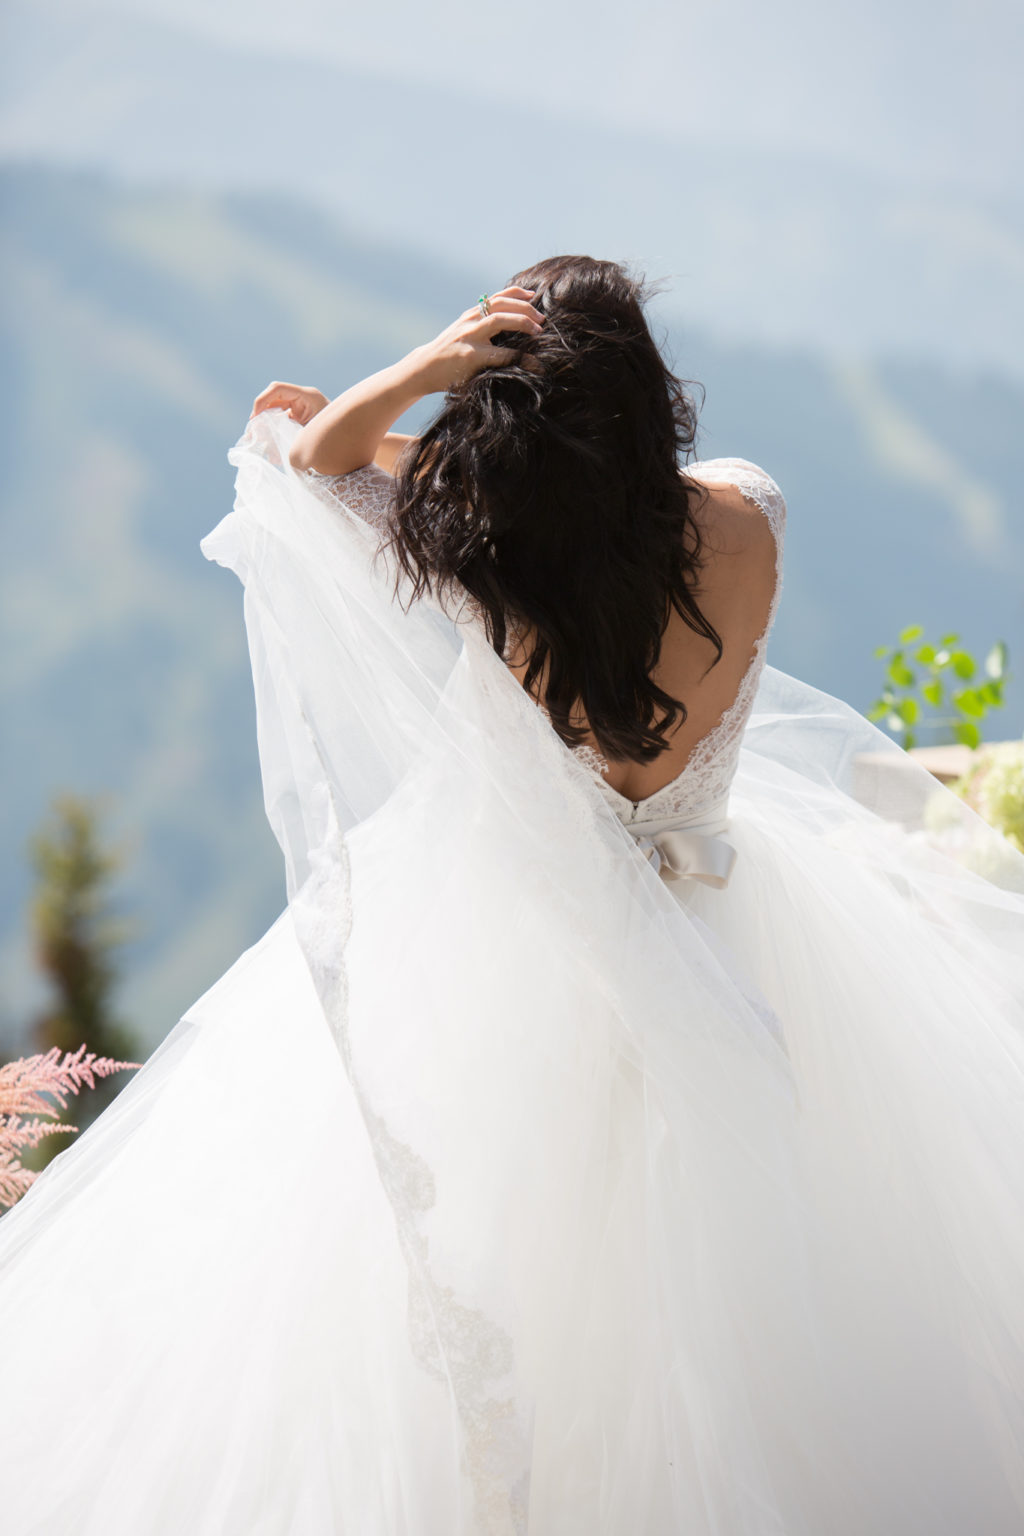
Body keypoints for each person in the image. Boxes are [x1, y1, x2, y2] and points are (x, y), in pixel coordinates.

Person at [1, 254, 1023, 1535]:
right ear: (648, 395)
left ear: (503, 411)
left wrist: (431, 366)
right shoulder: (747, 513)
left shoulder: (484, 544)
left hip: (510, 942)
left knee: (475, 1264)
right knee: (731, 1281)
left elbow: (308, 460)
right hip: (722, 919)